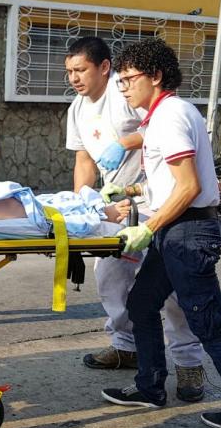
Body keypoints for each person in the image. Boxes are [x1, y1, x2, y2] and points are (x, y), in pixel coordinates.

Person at [102, 37, 221, 428]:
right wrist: (131, 190)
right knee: (141, 304)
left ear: (155, 76)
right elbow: (170, 181)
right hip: (175, 230)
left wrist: (148, 227)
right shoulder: (162, 117)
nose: (123, 88)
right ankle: (150, 387)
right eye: (120, 81)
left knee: (208, 325)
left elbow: (189, 186)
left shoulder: (171, 116)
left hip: (187, 232)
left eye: (128, 79)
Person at [65, 36, 205, 403]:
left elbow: (159, 125)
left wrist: (123, 144)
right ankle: (125, 346)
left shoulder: (125, 91)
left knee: (171, 289)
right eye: (70, 72)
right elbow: (83, 162)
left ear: (104, 68)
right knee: (110, 277)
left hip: (157, 200)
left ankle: (188, 363)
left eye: (80, 70)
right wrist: (84, 203)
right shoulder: (77, 109)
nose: (74, 78)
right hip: (116, 205)